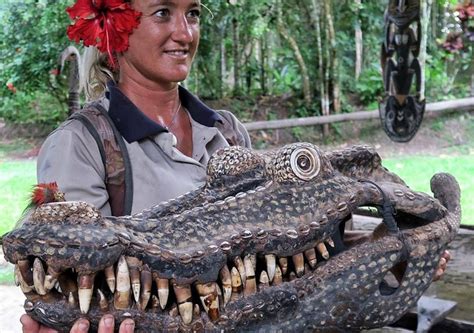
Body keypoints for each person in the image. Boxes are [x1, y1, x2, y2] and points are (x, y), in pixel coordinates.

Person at [20, 0, 450, 332]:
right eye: (163, 13)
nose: (184, 32)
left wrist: (380, 248)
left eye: (193, 13)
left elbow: (277, 251)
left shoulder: (225, 130)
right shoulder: (83, 143)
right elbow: (70, 268)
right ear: (117, 29)